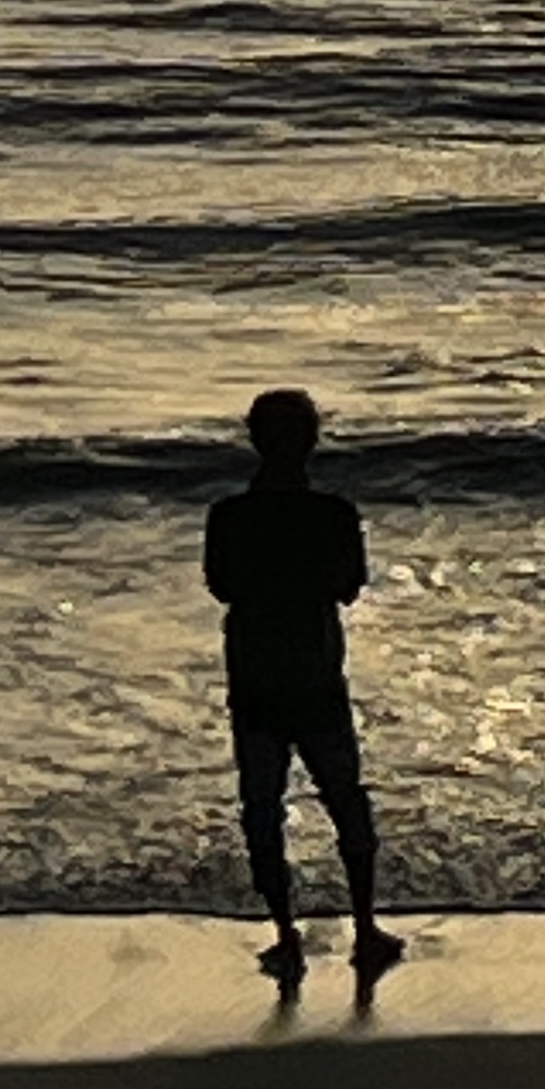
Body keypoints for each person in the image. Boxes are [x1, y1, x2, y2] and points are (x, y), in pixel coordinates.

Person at [201, 391, 401, 989]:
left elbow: (221, 586)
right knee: (345, 798)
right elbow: (348, 587)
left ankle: (286, 934)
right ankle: (365, 928)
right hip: (315, 675)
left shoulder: (229, 516)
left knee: (263, 808)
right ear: (312, 440)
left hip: (256, 677)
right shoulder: (333, 515)